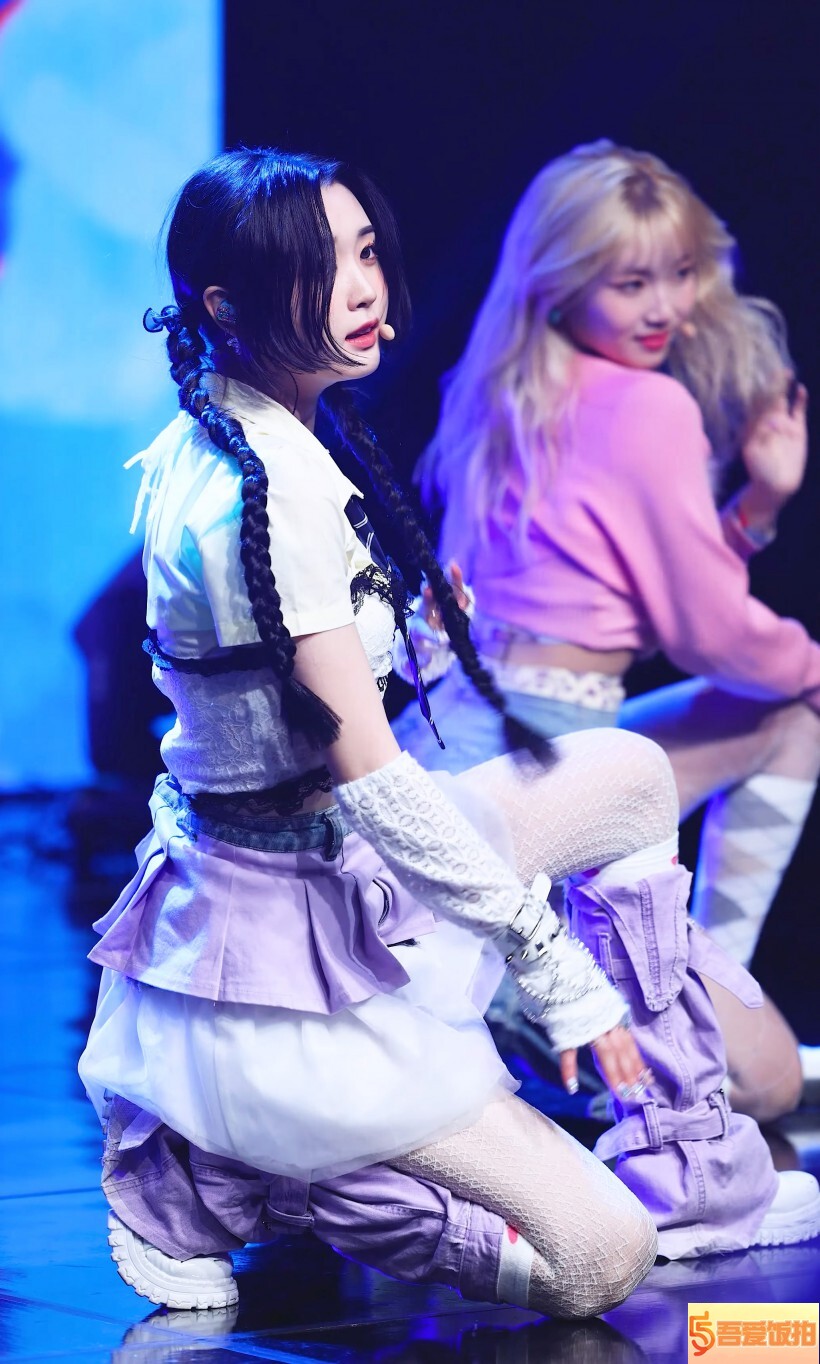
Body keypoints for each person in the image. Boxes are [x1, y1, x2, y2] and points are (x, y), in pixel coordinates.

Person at [79, 147, 819, 1321]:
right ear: (223, 303)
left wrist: (407, 633)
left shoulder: (250, 436)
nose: (363, 286)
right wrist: (556, 966)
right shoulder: (262, 493)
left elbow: (274, 700)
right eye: (322, 265)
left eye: (365, 249)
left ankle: (682, 1153)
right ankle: (243, 1177)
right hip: (311, 927)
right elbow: (371, 781)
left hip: (354, 849)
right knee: (602, 1258)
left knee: (631, 774)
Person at [393, 139, 820, 1121]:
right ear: (563, 282)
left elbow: (629, 597)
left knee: (781, 712)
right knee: (764, 1083)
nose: (665, 307)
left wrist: (753, 509)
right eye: (631, 283)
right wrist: (810, 662)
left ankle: (684, 998)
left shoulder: (495, 388)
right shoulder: (648, 405)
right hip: (555, 754)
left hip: (459, 745)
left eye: (680, 273)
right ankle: (685, 1016)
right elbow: (708, 633)